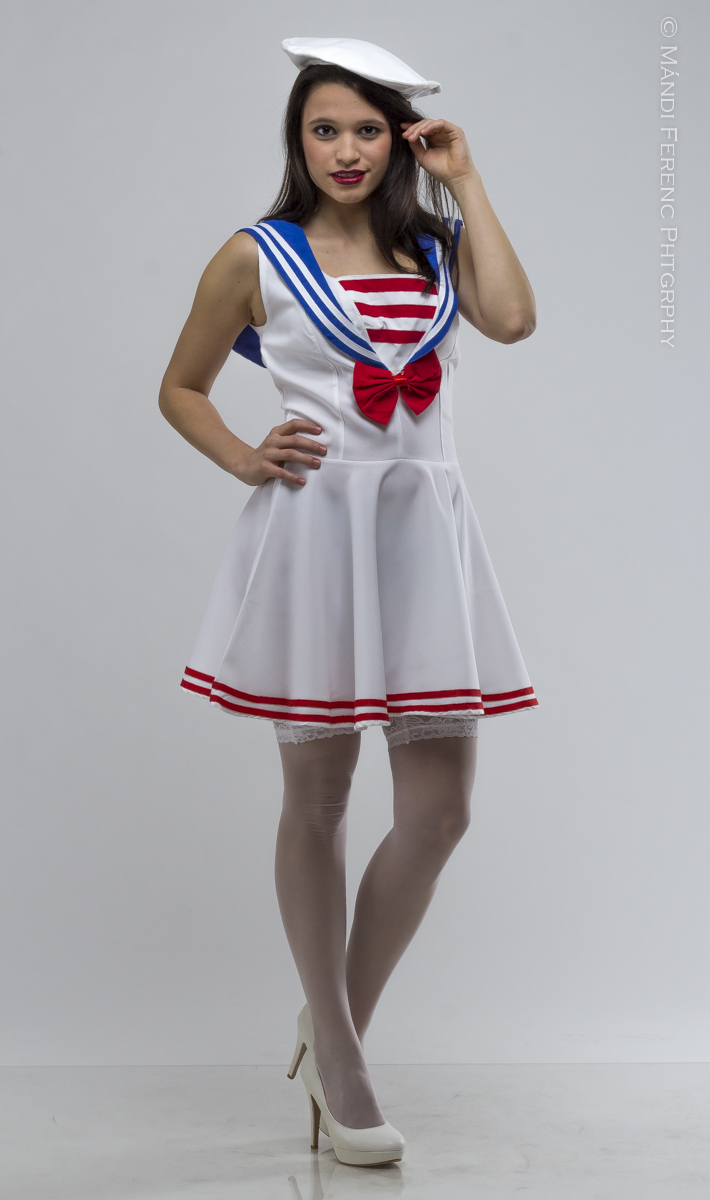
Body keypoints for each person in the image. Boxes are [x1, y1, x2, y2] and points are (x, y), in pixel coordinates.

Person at [159, 36, 538, 1167]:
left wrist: (465, 178)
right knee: (317, 799)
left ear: (401, 139)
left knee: (440, 809)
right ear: (297, 138)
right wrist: (244, 456)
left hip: (423, 535)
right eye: (324, 128)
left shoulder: (437, 246)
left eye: (368, 129)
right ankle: (342, 1053)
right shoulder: (256, 254)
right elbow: (180, 386)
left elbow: (513, 319)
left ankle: (331, 1029)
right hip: (318, 536)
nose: (345, 149)